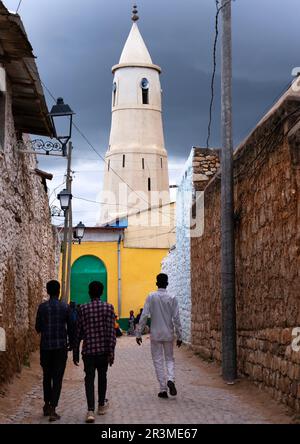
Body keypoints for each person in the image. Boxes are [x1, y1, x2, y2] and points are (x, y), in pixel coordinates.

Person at [73, 281, 116, 424]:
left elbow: (78, 332)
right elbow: (111, 333)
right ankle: (101, 405)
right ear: (101, 292)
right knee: (102, 377)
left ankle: (90, 410)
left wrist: (75, 351)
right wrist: (111, 352)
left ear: (89, 293)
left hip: (89, 351)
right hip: (103, 351)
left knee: (89, 379)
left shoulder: (83, 309)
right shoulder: (109, 308)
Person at [136, 273, 182, 399]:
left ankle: (163, 389)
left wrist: (138, 333)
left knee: (158, 360)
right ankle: (171, 379)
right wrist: (180, 336)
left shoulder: (151, 296)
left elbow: (144, 315)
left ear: (157, 283)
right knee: (169, 359)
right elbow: (176, 318)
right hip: (168, 334)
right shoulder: (172, 297)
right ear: (167, 284)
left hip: (155, 334)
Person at [35, 280, 73, 422]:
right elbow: (71, 327)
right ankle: (53, 409)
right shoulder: (65, 307)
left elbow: (37, 328)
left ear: (47, 291)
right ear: (58, 291)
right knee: (57, 378)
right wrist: (72, 344)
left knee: (47, 376)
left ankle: (46, 404)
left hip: (45, 348)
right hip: (60, 348)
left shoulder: (42, 307)